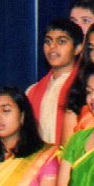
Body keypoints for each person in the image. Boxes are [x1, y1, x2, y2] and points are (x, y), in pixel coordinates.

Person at [27, 17, 83, 146]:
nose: (52, 47)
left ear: (78, 48)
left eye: (61, 41)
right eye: (48, 41)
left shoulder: (84, 88)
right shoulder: (32, 91)